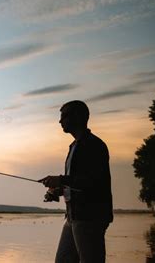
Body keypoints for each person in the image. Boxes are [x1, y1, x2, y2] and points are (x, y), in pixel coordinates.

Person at [39, 100, 113, 263]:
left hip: (90, 217)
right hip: (73, 216)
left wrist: (60, 180)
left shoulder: (94, 145)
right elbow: (77, 183)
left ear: (78, 117)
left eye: (64, 116)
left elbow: (93, 182)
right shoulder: (74, 146)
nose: (60, 121)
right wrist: (58, 190)